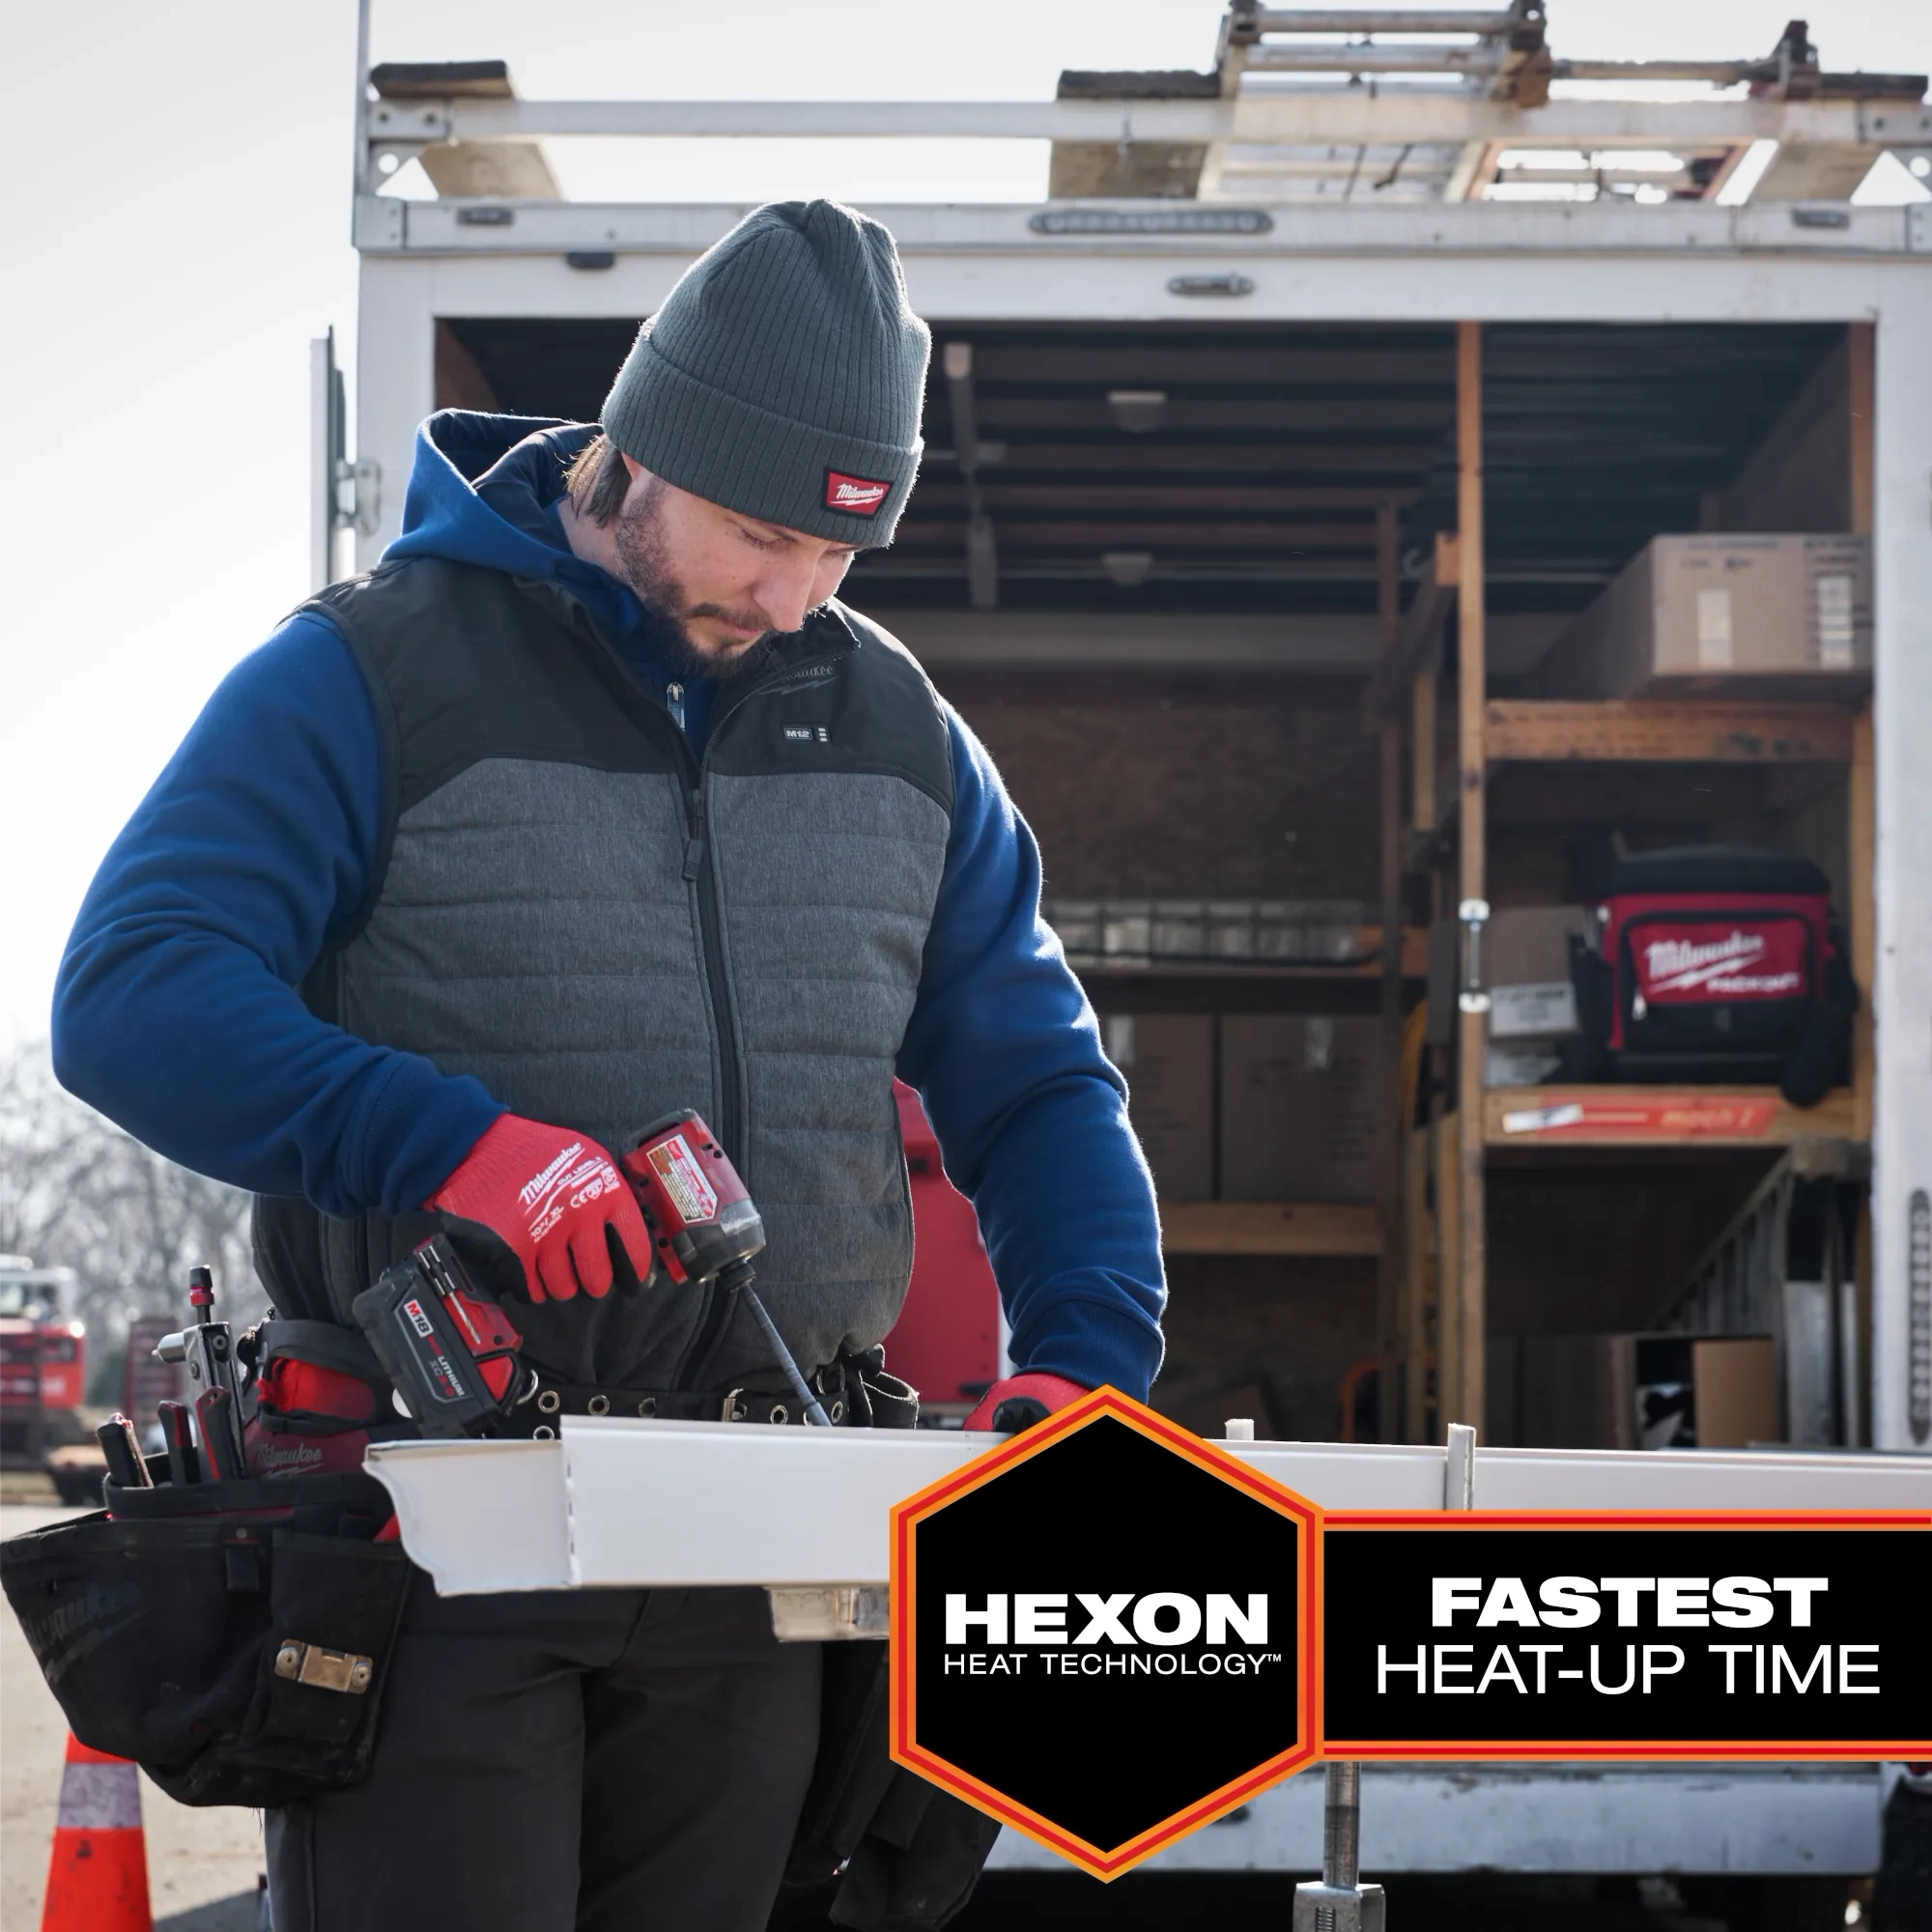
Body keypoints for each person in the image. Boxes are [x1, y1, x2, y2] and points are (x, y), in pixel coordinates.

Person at [51, 200, 1166, 1931]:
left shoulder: (904, 737)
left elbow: (1038, 1086)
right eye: (758, 532)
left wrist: (1086, 1369)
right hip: (440, 1530)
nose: (792, 597)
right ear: (639, 453)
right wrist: (453, 1147)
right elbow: (132, 992)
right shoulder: (366, 675)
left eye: (840, 551)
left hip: (759, 1539)